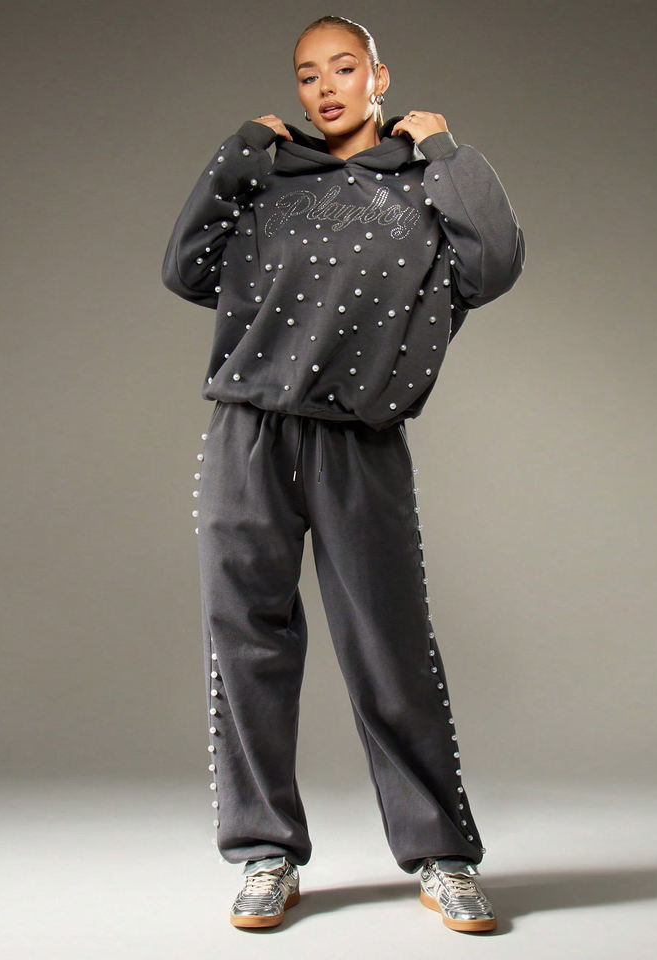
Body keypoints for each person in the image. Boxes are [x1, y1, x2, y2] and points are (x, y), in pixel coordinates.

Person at [161, 14, 525, 933]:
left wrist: (446, 151)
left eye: (344, 68)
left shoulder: (422, 186)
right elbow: (186, 268)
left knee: (391, 647)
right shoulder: (268, 181)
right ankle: (265, 854)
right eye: (308, 74)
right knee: (246, 645)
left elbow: (494, 264)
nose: (326, 87)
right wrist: (238, 153)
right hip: (247, 433)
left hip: (360, 441)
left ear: (378, 76)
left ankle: (442, 856)